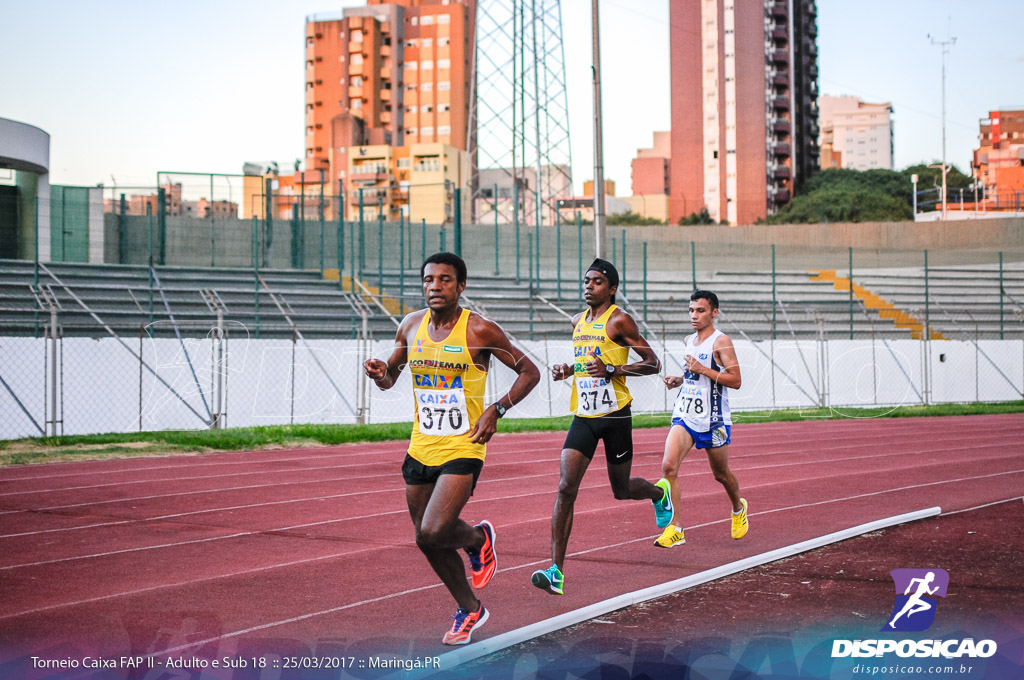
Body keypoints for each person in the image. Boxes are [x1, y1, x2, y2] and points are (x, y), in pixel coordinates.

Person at [363, 252, 540, 645]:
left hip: (465, 445)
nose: (434, 287)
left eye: (445, 280)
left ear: (461, 286)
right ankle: (470, 608)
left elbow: (531, 372)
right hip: (421, 446)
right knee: (426, 539)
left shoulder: (481, 331)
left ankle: (477, 540)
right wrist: (381, 374)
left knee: (435, 529)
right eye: (428, 280)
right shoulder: (410, 326)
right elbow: (392, 376)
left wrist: (497, 409)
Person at [531, 258, 673, 595]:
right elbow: (587, 363)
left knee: (621, 489)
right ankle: (556, 572)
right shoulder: (578, 321)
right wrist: (570, 370)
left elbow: (652, 363)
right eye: (586, 280)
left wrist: (612, 371)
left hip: (615, 416)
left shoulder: (619, 320)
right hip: (584, 414)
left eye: (596, 282)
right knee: (566, 487)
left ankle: (658, 492)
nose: (588, 286)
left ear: (611, 289)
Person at [655, 289, 746, 548]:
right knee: (668, 466)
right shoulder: (688, 340)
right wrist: (680, 380)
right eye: (691, 310)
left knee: (720, 474)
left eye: (700, 310)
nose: (694, 315)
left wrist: (702, 369)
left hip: (713, 418)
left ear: (714, 312)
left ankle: (738, 509)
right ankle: (677, 529)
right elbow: (695, 375)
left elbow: (736, 380)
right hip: (685, 413)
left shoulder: (721, 341)